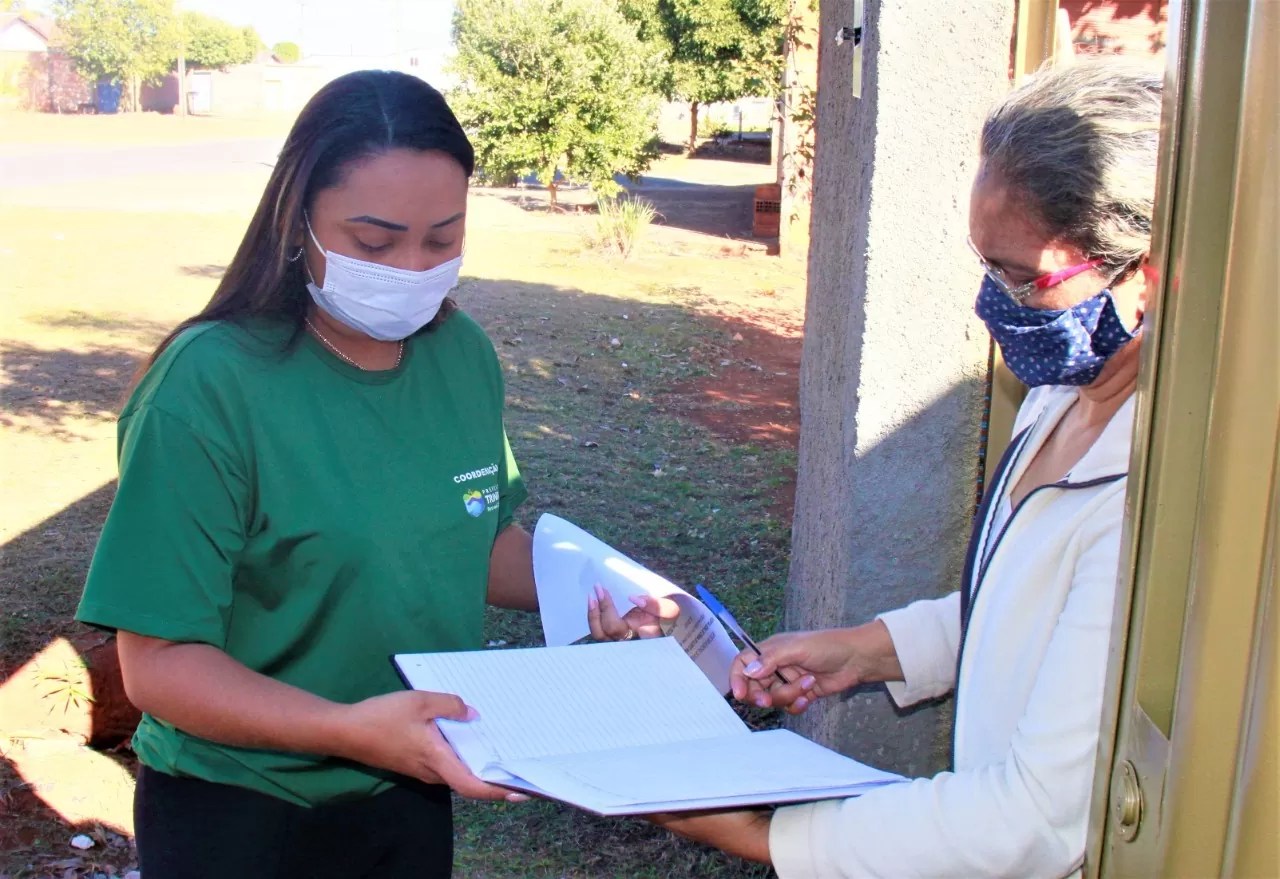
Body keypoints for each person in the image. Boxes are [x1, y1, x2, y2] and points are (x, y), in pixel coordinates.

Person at [75, 70, 666, 878]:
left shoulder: (461, 357)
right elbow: (160, 662)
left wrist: (605, 589)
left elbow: (475, 536)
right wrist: (348, 728)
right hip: (240, 805)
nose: (412, 269)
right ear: (298, 221)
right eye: (375, 243)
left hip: (408, 783)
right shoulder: (207, 385)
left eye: (442, 239)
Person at [647, 59, 1162, 878]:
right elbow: (1021, 608)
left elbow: (1036, 820)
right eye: (985, 267)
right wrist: (862, 651)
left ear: (1148, 276)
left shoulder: (1152, 498)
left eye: (1022, 278)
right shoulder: (1063, 394)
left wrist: (763, 835)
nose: (994, 305)